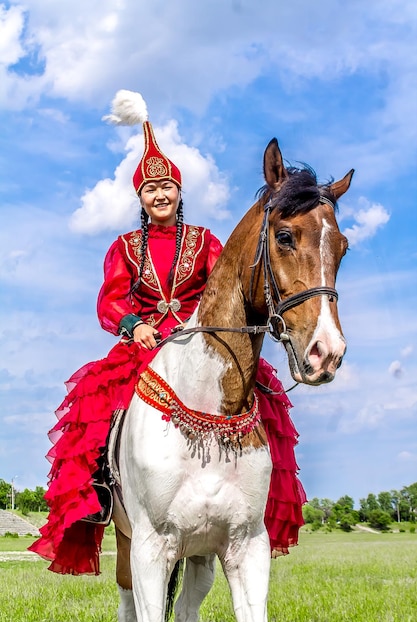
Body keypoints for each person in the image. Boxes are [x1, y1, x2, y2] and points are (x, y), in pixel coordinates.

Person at [29, 90, 305, 576]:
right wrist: (133, 325)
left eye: (167, 187)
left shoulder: (205, 241)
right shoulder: (125, 246)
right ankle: (100, 497)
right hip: (144, 347)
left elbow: (225, 288)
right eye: (149, 190)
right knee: (100, 411)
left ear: (179, 191)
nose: (159, 195)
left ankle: (255, 497)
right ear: (139, 197)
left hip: (201, 343)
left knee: (263, 397)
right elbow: (109, 299)